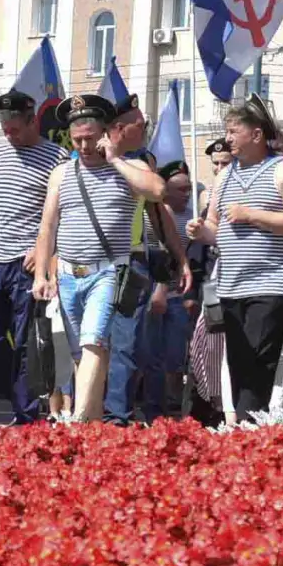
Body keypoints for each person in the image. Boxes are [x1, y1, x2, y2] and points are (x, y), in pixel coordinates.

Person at [33, 93, 165, 422]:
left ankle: (77, 421)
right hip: (66, 274)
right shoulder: (61, 174)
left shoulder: (130, 167)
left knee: (93, 341)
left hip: (108, 272)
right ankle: (92, 426)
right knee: (84, 353)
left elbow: (158, 191)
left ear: (105, 133)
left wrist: (116, 160)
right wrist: (41, 275)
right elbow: (47, 227)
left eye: (90, 138)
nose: (84, 146)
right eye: (77, 139)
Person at [186, 95, 283, 420]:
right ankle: (247, 429)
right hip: (230, 285)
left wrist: (252, 215)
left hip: (269, 283)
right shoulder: (225, 176)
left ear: (256, 135)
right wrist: (200, 230)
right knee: (239, 362)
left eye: (233, 131)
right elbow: (216, 225)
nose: (227, 138)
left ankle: (247, 430)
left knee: (260, 361)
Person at [0, 89, 65, 425]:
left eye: (14, 128)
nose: (8, 135)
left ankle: (26, 416)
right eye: (4, 128)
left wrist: (42, 253)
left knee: (26, 341)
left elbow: (60, 214)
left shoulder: (57, 157)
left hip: (26, 264)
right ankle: (16, 393)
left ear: (31, 121)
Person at [101, 93, 192, 424]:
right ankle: (85, 412)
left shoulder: (143, 161)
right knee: (91, 344)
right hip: (88, 260)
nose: (147, 129)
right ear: (120, 128)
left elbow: (158, 212)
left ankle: (118, 418)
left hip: (133, 261)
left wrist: (179, 258)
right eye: (143, 124)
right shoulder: (85, 158)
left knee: (129, 344)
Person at [140, 161, 199, 421]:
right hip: (157, 293)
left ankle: (171, 402)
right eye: (180, 189)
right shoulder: (157, 212)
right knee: (151, 354)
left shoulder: (193, 214)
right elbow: (162, 253)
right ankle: (153, 405)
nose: (186, 193)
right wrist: (161, 289)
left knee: (176, 355)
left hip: (180, 295)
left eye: (189, 188)